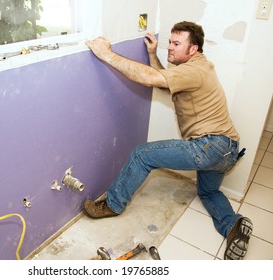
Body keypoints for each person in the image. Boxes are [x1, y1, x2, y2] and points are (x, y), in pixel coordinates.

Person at [83, 21, 253, 260]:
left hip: (210, 146)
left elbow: (151, 78)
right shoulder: (196, 68)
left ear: (193, 49)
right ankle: (234, 225)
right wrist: (153, 54)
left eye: (176, 44)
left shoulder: (194, 70)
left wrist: (106, 53)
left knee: (142, 154)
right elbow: (164, 83)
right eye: (170, 42)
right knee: (208, 193)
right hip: (227, 152)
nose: (170, 48)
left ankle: (112, 205)